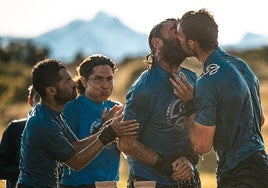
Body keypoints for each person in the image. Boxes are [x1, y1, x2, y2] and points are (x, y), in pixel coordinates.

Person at [170, 8, 268, 188]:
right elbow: (259, 118)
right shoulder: (241, 66)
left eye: (180, 35)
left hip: (239, 174)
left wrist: (190, 103)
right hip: (262, 166)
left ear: (192, 44)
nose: (177, 39)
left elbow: (201, 146)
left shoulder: (208, 81)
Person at [16, 59, 139, 188]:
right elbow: (76, 162)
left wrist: (106, 128)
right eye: (67, 81)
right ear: (51, 91)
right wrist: (109, 132)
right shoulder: (44, 123)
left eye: (109, 79)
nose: (75, 84)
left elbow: (76, 145)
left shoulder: (52, 113)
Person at [118, 18, 200, 188]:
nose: (182, 35)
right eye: (174, 31)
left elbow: (201, 126)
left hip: (189, 179)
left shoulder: (192, 78)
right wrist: (167, 165)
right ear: (157, 43)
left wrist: (189, 158)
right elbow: (126, 143)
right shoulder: (144, 88)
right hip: (151, 182)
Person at [60, 54, 123, 187]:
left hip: (109, 184)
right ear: (84, 81)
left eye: (110, 79)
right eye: (98, 79)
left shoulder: (116, 108)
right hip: (77, 184)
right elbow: (71, 152)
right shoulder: (71, 108)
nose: (105, 85)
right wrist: (104, 128)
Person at [0, 85, 40, 188]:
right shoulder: (14, 129)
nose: (42, 103)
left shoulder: (62, 130)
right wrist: (28, 170)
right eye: (39, 98)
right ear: (30, 101)